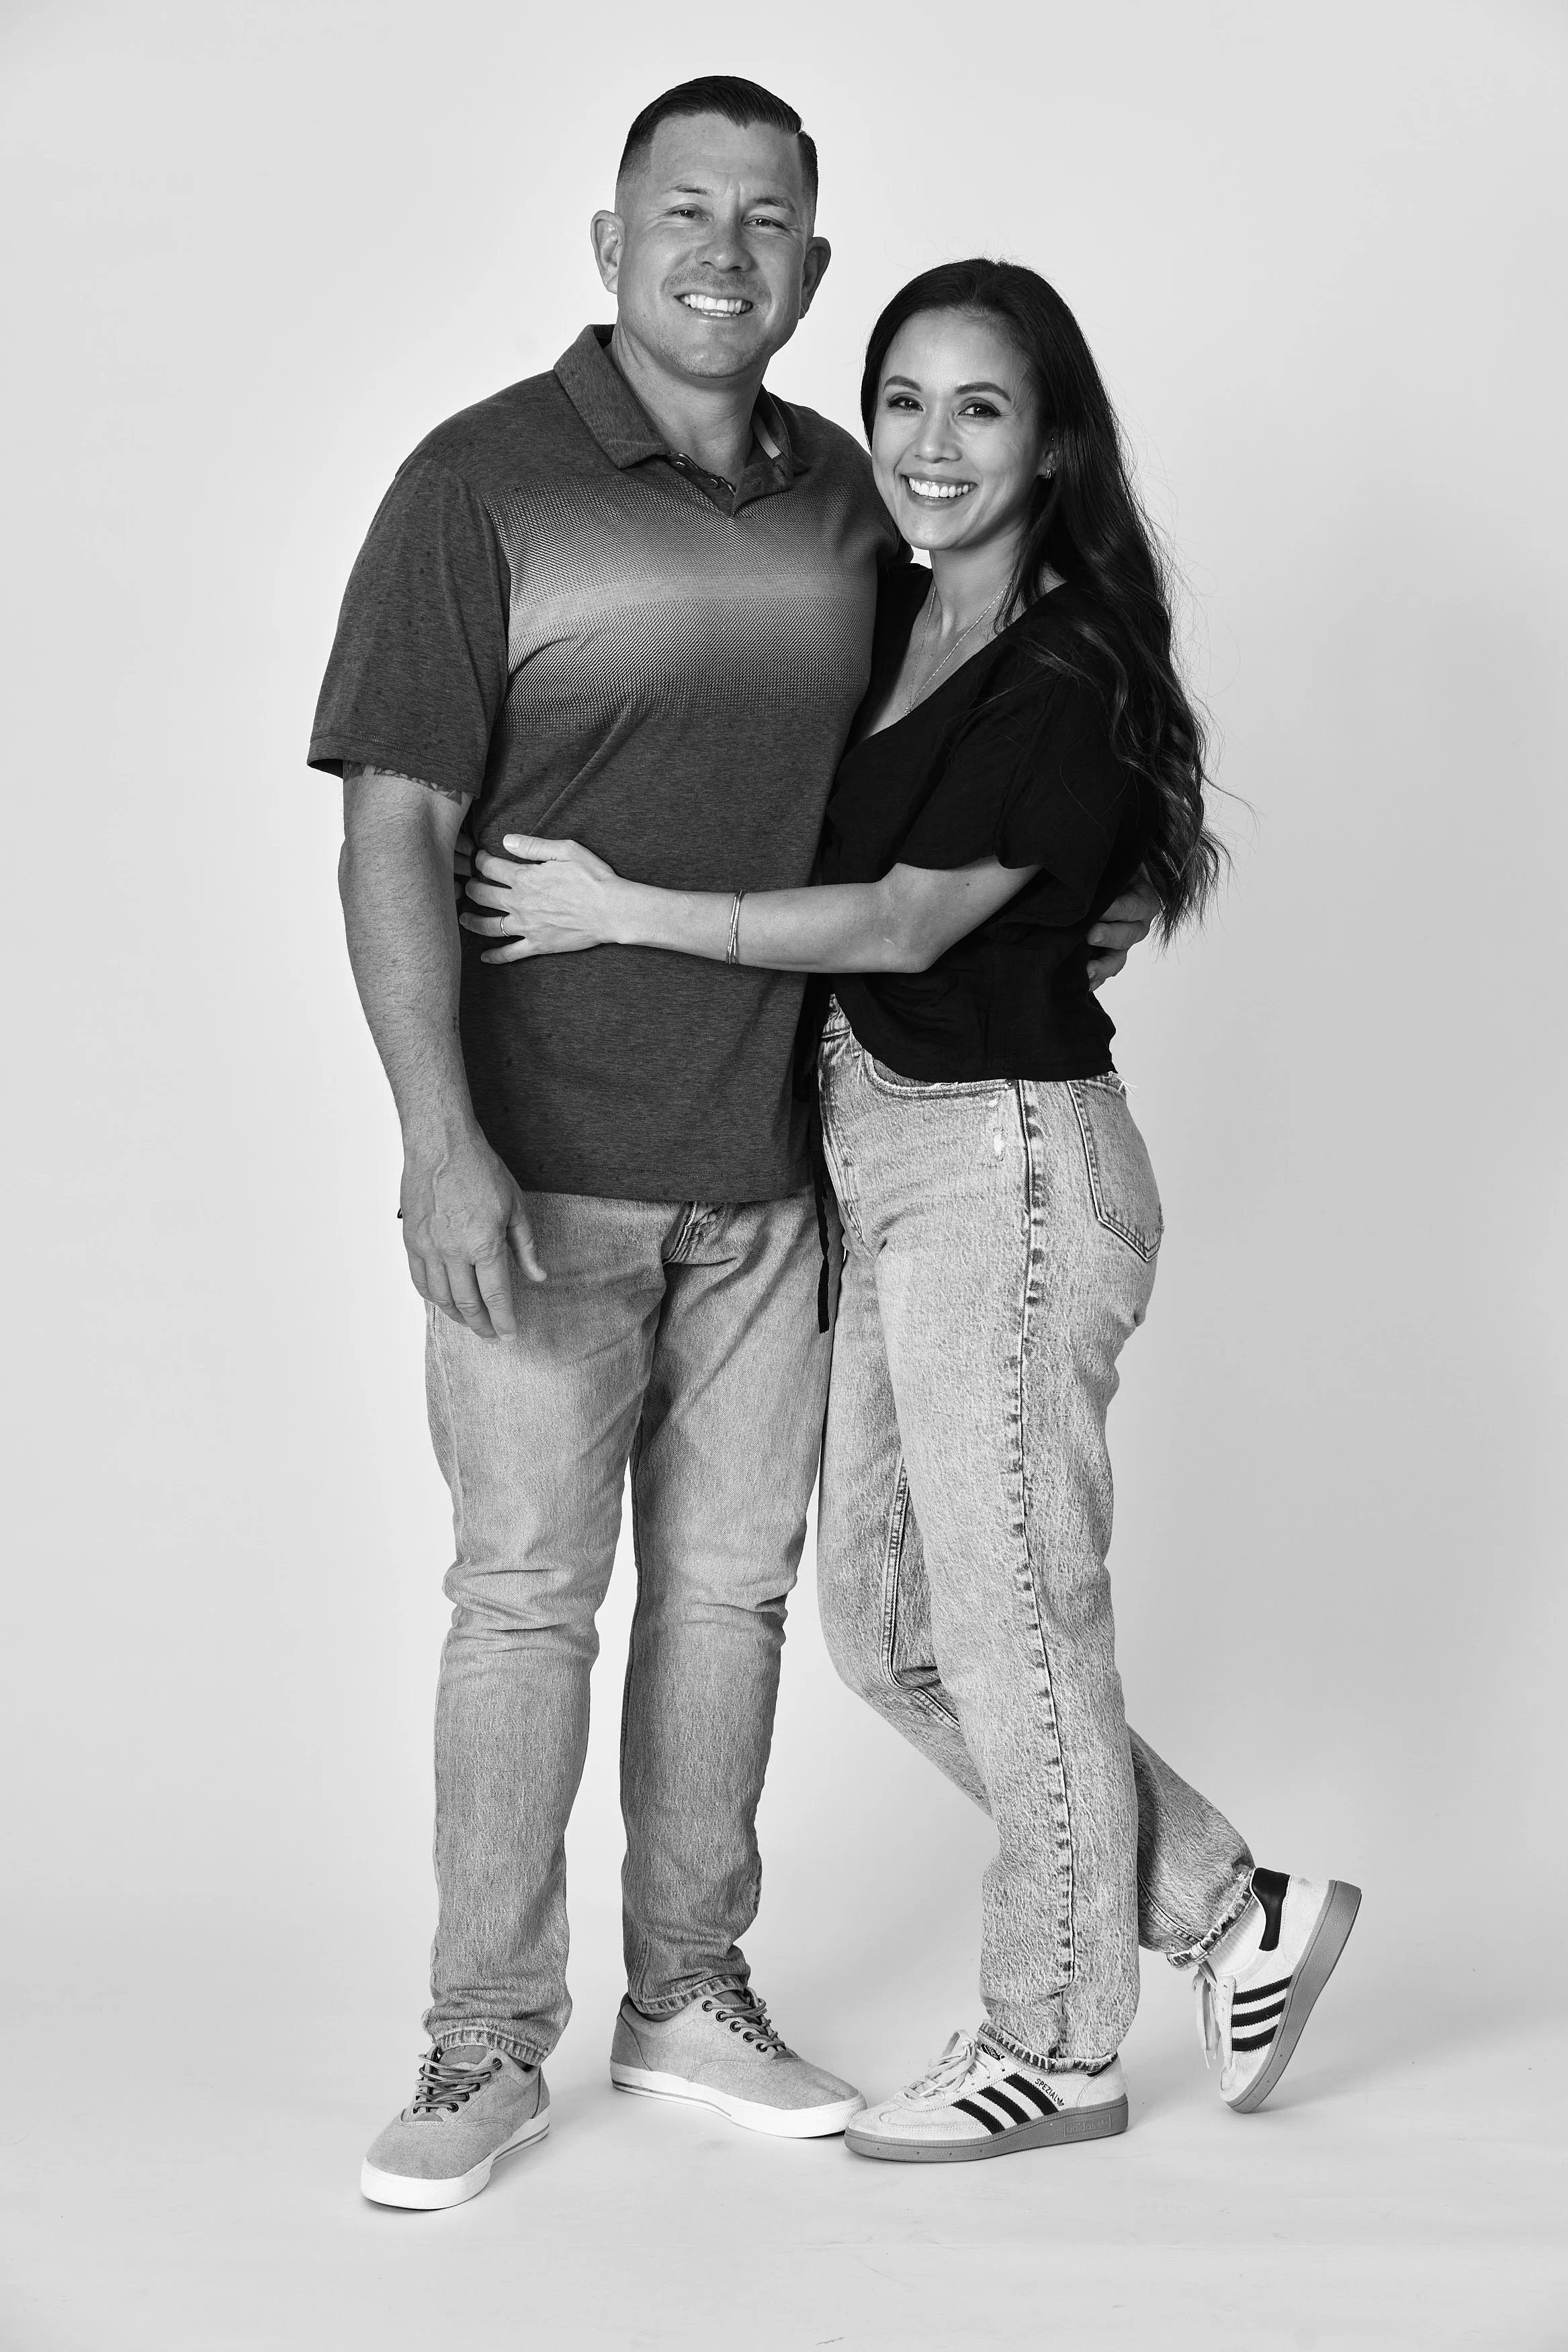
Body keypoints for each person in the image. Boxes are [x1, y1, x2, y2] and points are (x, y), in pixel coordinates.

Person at [312, 76, 1163, 2211]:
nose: (724, 248)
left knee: (734, 1603)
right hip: (541, 1168)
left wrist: (1104, 869)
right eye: (681, 210)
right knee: (524, 1607)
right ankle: (480, 2039)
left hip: (782, 1181)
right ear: (606, 243)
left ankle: (688, 1989)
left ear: (814, 259)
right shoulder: (476, 489)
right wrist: (438, 1138)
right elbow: (393, 828)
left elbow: (996, 730)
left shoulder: (844, 510)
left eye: (770, 217)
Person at [462, 260, 1361, 2165]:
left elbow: (899, 924)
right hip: (889, 1158)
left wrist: (625, 908)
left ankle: (1058, 2040)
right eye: (901, 404)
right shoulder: (890, 610)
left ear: (1053, 445)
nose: (931, 445)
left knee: (1015, 1611)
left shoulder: (1061, 663)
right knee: (893, 1623)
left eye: (979, 408)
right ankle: (1221, 1903)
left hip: (1008, 1165)